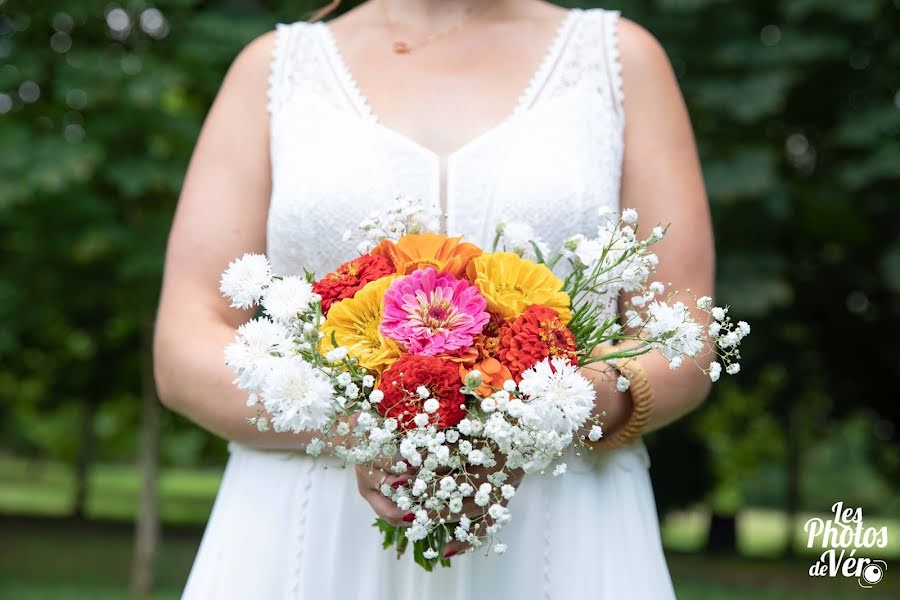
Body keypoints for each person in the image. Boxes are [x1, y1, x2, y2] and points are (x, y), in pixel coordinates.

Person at [153, 0, 714, 597]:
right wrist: (361, 428)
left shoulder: (619, 61)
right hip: (304, 536)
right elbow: (186, 341)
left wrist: (542, 415)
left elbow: (683, 335)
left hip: (560, 533)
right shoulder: (272, 70)